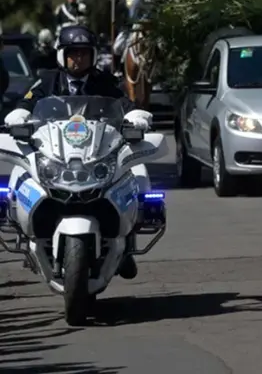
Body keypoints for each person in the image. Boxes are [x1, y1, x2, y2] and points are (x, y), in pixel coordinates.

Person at [3, 25, 153, 281]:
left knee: (134, 176)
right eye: (73, 53)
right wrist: (20, 114)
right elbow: (27, 102)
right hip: (56, 152)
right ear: (62, 55)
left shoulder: (104, 82)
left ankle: (126, 244)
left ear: (93, 55)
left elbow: (125, 105)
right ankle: (25, 233)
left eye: (84, 53)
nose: (78, 58)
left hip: (96, 151)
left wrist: (135, 116)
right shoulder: (47, 80)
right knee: (20, 177)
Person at [111, 0, 154, 64]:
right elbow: (120, 10)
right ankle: (118, 70)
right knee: (116, 47)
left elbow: (149, 11)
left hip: (141, 29)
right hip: (127, 28)